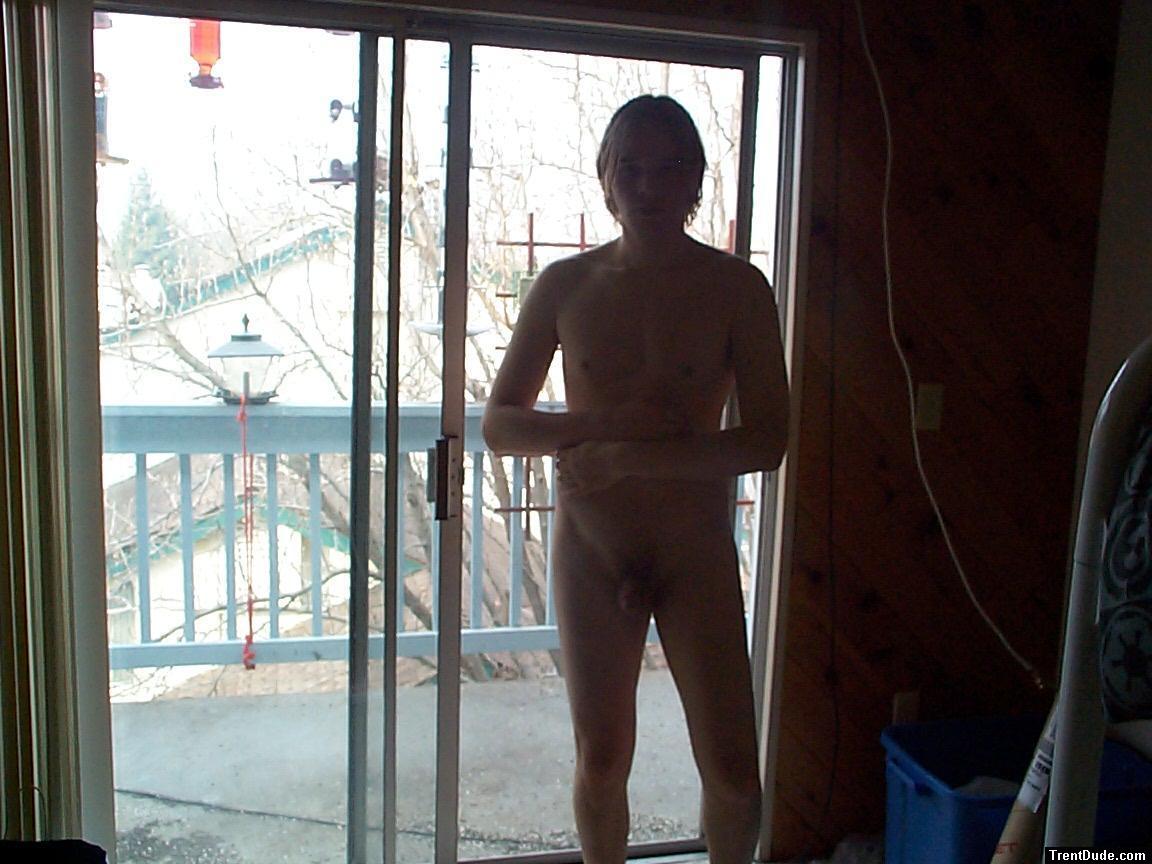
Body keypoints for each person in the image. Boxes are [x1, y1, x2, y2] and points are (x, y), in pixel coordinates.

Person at [481, 95, 790, 864]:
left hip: (695, 551)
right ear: (606, 179)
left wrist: (629, 458)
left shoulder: (737, 288)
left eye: (670, 168)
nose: (650, 187)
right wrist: (607, 427)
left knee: (734, 775)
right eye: (632, 169)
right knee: (601, 759)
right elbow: (500, 424)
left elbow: (768, 440)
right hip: (593, 547)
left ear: (697, 182)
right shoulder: (565, 284)